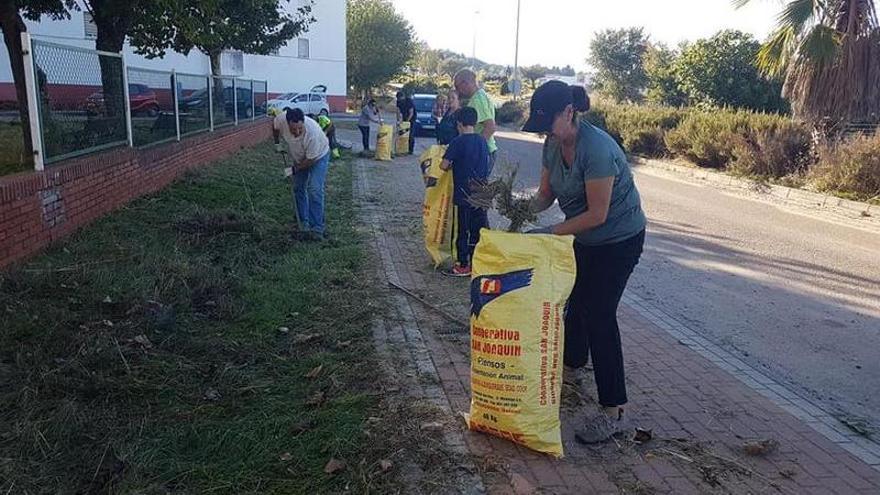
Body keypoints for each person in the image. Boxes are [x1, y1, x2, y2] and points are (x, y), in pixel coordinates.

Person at [522, 81, 646, 444]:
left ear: (569, 112)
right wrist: (515, 208)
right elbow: (545, 195)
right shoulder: (552, 144)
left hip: (619, 240)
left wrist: (550, 233)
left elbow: (597, 214)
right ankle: (572, 367)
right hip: (583, 238)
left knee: (600, 314)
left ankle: (614, 409)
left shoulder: (598, 149)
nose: (545, 129)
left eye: (549, 121)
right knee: (574, 303)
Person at [440, 107, 490, 277]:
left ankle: (462, 265)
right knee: (479, 229)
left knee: (463, 230)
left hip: (464, 194)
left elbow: (444, 165)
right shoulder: (483, 141)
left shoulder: (458, 142)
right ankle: (478, 262)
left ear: (459, 123)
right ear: (475, 123)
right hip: (482, 193)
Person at [273, 108, 331, 241]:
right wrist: (277, 144)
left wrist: (294, 170)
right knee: (298, 188)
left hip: (318, 156)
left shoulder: (313, 133)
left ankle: (317, 228)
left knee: (315, 189)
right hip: (299, 157)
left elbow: (311, 160)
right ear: (287, 124)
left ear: (303, 122)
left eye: (300, 128)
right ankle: (303, 222)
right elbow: (274, 126)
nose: (297, 132)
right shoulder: (281, 120)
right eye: (294, 129)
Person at [454, 69, 498, 173]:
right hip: (485, 150)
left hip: (483, 151)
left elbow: (490, 127)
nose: (457, 91)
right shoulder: (481, 95)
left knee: (476, 186)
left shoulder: (478, 100)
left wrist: (475, 148)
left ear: (465, 83)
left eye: (457, 86)